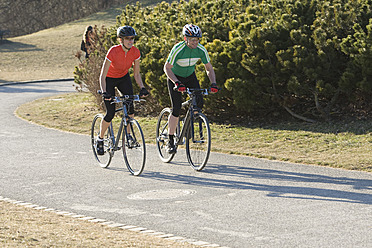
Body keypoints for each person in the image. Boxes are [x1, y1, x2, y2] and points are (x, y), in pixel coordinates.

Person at [163, 24, 219, 154]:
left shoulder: (201, 50)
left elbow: (209, 68)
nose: (195, 42)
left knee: (199, 103)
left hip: (190, 77)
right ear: (185, 38)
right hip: (175, 77)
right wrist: (176, 82)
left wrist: (213, 83)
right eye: (192, 39)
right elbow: (167, 68)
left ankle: (188, 125)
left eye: (197, 39)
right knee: (176, 108)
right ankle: (170, 140)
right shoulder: (178, 49)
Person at [96, 25, 149, 155]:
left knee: (130, 108)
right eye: (127, 38)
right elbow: (102, 75)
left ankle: (129, 136)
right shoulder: (113, 51)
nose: (130, 41)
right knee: (110, 113)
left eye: (132, 38)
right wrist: (104, 92)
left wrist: (142, 87)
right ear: (121, 40)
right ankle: (100, 138)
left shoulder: (135, 52)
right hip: (109, 79)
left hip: (123, 78)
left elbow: (136, 74)